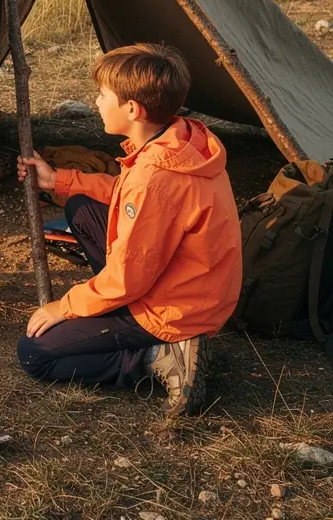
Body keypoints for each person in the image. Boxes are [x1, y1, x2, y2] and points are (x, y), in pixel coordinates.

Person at [15, 43, 242, 416]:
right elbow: (126, 196)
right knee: (81, 207)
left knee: (35, 353)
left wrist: (66, 307)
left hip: (175, 309)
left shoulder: (155, 177)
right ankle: (123, 324)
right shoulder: (181, 140)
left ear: (132, 109)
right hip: (198, 287)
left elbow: (128, 279)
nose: (97, 102)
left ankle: (160, 357)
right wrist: (60, 180)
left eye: (103, 95)